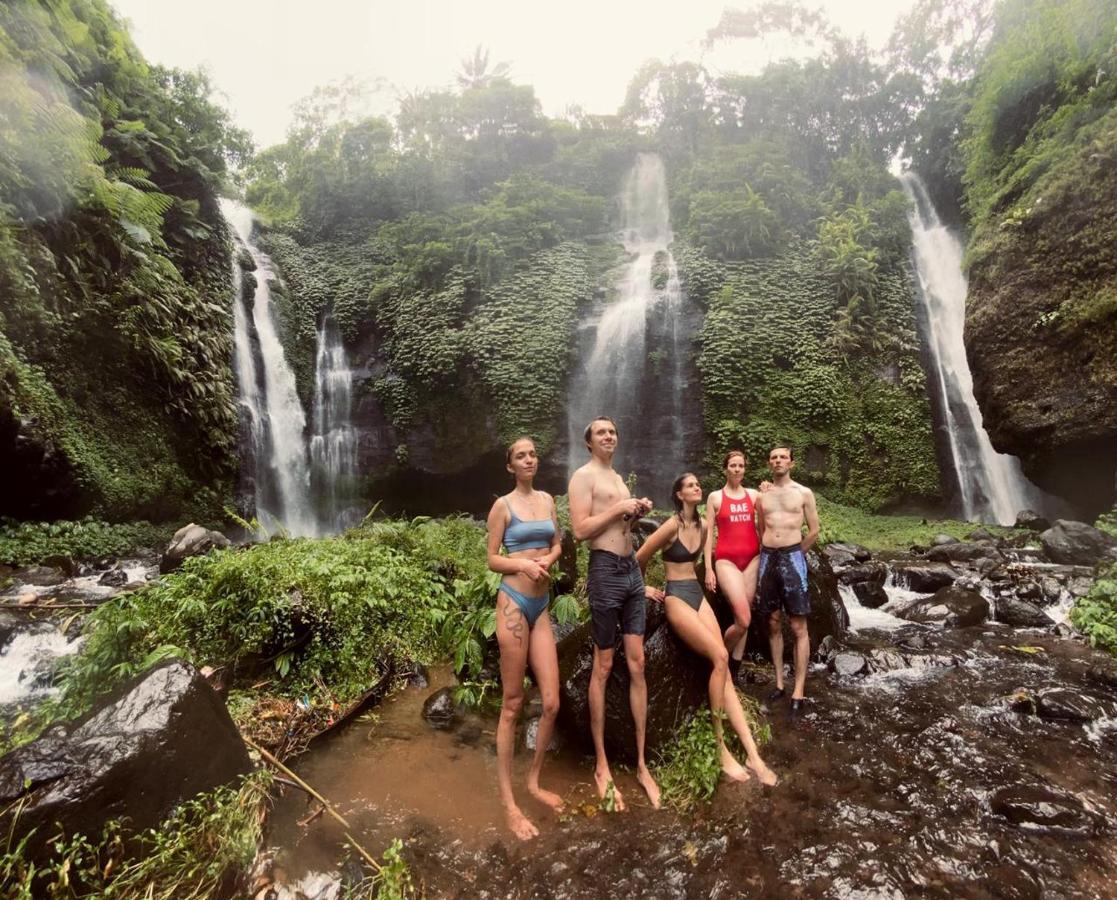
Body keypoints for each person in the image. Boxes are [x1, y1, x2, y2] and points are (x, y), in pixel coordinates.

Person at [637, 472, 778, 785]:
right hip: (675, 596)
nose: (696, 487)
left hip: (696, 594)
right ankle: (720, 748)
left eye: (698, 484)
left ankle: (753, 754)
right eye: (689, 485)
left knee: (723, 667)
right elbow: (640, 556)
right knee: (718, 655)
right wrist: (643, 587)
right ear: (678, 494)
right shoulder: (671, 525)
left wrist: (766, 495)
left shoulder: (701, 527)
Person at [567, 416, 661, 810]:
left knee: (637, 664)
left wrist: (634, 511)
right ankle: (602, 765)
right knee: (604, 666)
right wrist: (617, 509)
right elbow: (580, 530)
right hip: (604, 571)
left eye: (613, 432)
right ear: (589, 442)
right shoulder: (582, 477)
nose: (609, 436)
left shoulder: (620, 479)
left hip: (630, 573)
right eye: (601, 432)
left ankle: (641, 763)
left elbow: (620, 524)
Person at [486, 436, 565, 840]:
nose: (529, 459)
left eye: (533, 453)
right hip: (514, 603)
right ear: (510, 466)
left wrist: (547, 561)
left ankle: (533, 781)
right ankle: (508, 803)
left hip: (542, 607)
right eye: (521, 455)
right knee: (513, 703)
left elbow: (557, 543)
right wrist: (524, 565)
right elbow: (492, 558)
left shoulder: (549, 500)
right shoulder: (503, 506)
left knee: (551, 702)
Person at [755, 444, 820, 712]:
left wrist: (795, 554)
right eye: (774, 457)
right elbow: (760, 528)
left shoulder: (803, 492)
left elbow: (814, 530)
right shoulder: (762, 496)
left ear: (791, 463)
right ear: (769, 464)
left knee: (797, 626)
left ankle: (799, 690)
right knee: (772, 622)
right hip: (768, 558)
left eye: (783, 457)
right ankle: (780, 683)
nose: (778, 460)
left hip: (792, 556)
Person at [703, 450, 761, 680]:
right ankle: (719, 658)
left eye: (741, 466)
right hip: (726, 560)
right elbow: (708, 535)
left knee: (744, 616)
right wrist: (708, 567)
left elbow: (776, 508)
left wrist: (768, 489)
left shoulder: (754, 495)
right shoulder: (715, 497)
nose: (737, 469)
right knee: (744, 618)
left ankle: (734, 669)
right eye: (733, 465)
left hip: (753, 559)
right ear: (725, 468)